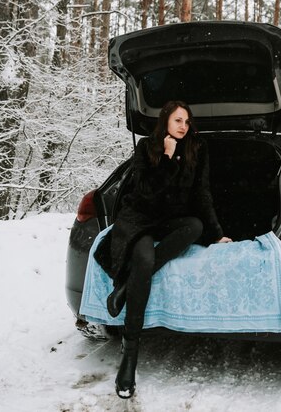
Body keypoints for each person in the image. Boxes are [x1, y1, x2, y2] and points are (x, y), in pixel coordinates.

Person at [94, 100, 232, 399]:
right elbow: (144, 191)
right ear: (165, 122)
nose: (183, 126)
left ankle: (124, 288)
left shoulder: (198, 148)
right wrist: (167, 158)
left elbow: (201, 192)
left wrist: (217, 233)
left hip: (171, 219)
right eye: (178, 120)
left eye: (187, 121)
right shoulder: (148, 147)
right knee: (143, 257)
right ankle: (130, 356)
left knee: (194, 226)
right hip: (140, 217)